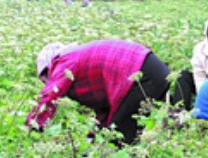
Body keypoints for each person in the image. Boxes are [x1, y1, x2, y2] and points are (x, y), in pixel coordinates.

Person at [26, 40, 172, 145]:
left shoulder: (65, 60)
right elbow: (106, 110)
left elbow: (49, 96)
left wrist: (32, 129)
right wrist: (94, 136)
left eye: (46, 74)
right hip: (156, 71)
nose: (48, 79)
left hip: (140, 73)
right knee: (130, 131)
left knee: (118, 135)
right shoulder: (81, 60)